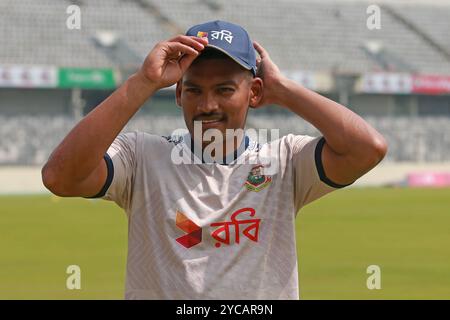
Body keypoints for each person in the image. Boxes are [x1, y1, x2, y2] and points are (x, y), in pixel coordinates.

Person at [42, 20, 387, 299]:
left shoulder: (283, 160)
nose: (207, 105)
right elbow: (60, 177)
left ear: (253, 92)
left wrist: (282, 89)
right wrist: (143, 82)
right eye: (194, 90)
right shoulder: (142, 157)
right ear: (178, 94)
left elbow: (368, 148)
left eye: (224, 90)